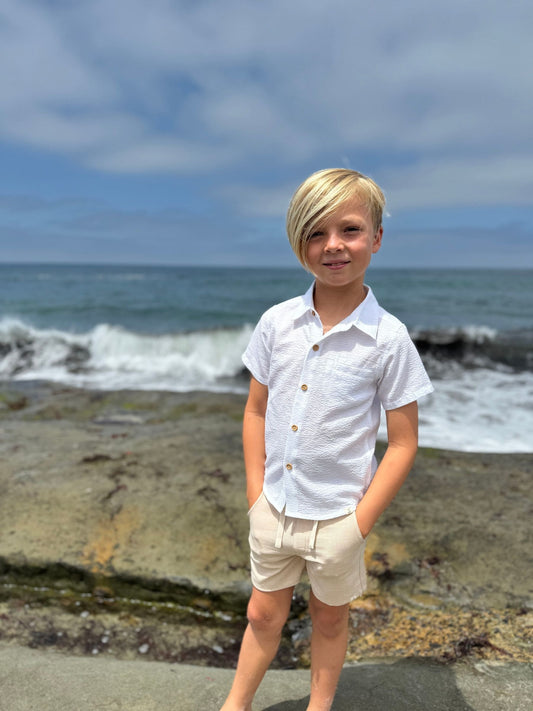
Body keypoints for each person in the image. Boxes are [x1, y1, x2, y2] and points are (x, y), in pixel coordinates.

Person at [220, 168, 433, 711]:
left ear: (377, 238)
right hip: (273, 506)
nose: (333, 245)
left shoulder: (388, 338)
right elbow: (255, 409)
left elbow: (403, 442)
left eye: (350, 230)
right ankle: (235, 704)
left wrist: (357, 525)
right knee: (261, 614)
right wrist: (254, 493)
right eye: (315, 232)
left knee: (330, 618)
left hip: (339, 516)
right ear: (298, 242)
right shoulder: (276, 323)